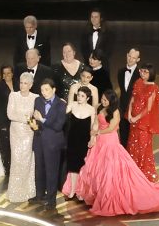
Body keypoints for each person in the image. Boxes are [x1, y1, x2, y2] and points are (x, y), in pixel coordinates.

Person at [76, 89, 159, 216]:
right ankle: (99, 195)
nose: (102, 101)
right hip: (100, 142)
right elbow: (96, 123)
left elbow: (111, 128)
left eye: (105, 100)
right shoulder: (100, 108)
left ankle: (111, 198)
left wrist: (97, 133)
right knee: (98, 169)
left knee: (110, 171)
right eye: (102, 99)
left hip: (110, 142)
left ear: (111, 101)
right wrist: (93, 135)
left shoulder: (115, 112)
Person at [32, 78, 68, 210]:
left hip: (53, 142)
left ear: (54, 90)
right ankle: (39, 195)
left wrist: (42, 119)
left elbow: (58, 126)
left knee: (51, 171)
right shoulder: (37, 100)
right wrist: (33, 123)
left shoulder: (61, 104)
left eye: (47, 90)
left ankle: (51, 199)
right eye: (42, 90)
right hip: (39, 139)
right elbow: (34, 118)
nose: (44, 92)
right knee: (39, 169)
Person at [125, 63, 159, 180]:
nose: (142, 73)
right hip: (133, 120)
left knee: (142, 146)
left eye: (145, 72)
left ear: (151, 74)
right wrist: (130, 114)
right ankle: (132, 168)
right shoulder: (138, 82)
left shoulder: (153, 88)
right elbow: (132, 99)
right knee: (132, 144)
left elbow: (148, 108)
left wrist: (136, 118)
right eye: (142, 71)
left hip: (143, 123)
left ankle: (141, 170)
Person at [5, 71, 38, 202]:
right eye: (21, 83)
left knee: (28, 161)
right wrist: (26, 119)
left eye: (26, 83)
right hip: (16, 133)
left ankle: (29, 191)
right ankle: (15, 192)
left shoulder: (35, 97)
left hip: (29, 133)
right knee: (17, 160)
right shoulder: (13, 95)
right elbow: (10, 114)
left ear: (31, 85)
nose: (23, 85)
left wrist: (31, 121)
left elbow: (36, 115)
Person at [60, 84, 94, 198]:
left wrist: (93, 139)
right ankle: (73, 191)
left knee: (82, 167)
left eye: (82, 96)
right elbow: (61, 114)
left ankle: (81, 192)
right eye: (78, 95)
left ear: (87, 98)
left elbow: (93, 127)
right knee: (73, 167)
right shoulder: (73, 105)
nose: (79, 97)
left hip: (84, 141)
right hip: (72, 140)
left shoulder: (91, 109)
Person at [115, 49, 144, 147]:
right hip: (122, 108)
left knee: (134, 138)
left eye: (134, 58)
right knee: (123, 137)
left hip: (135, 110)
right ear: (127, 55)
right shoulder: (120, 72)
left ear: (138, 59)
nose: (130, 59)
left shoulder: (141, 74)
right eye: (129, 56)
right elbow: (123, 91)